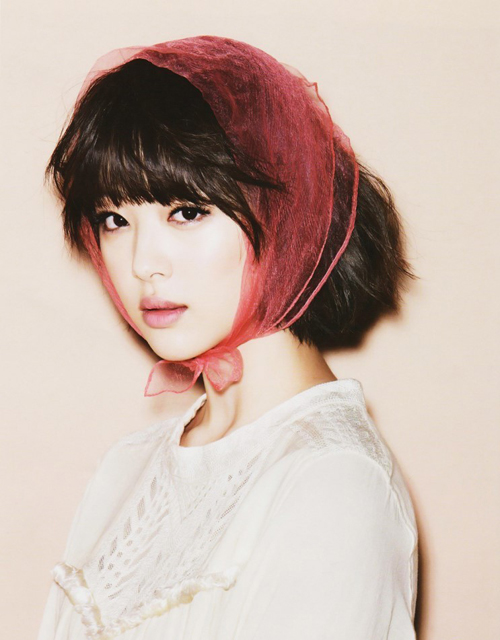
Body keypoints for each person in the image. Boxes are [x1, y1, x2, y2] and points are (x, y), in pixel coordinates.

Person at [37, 35, 418, 639]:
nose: (142, 263)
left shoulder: (333, 481)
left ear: (286, 211)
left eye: (186, 212)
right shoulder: (129, 466)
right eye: (115, 219)